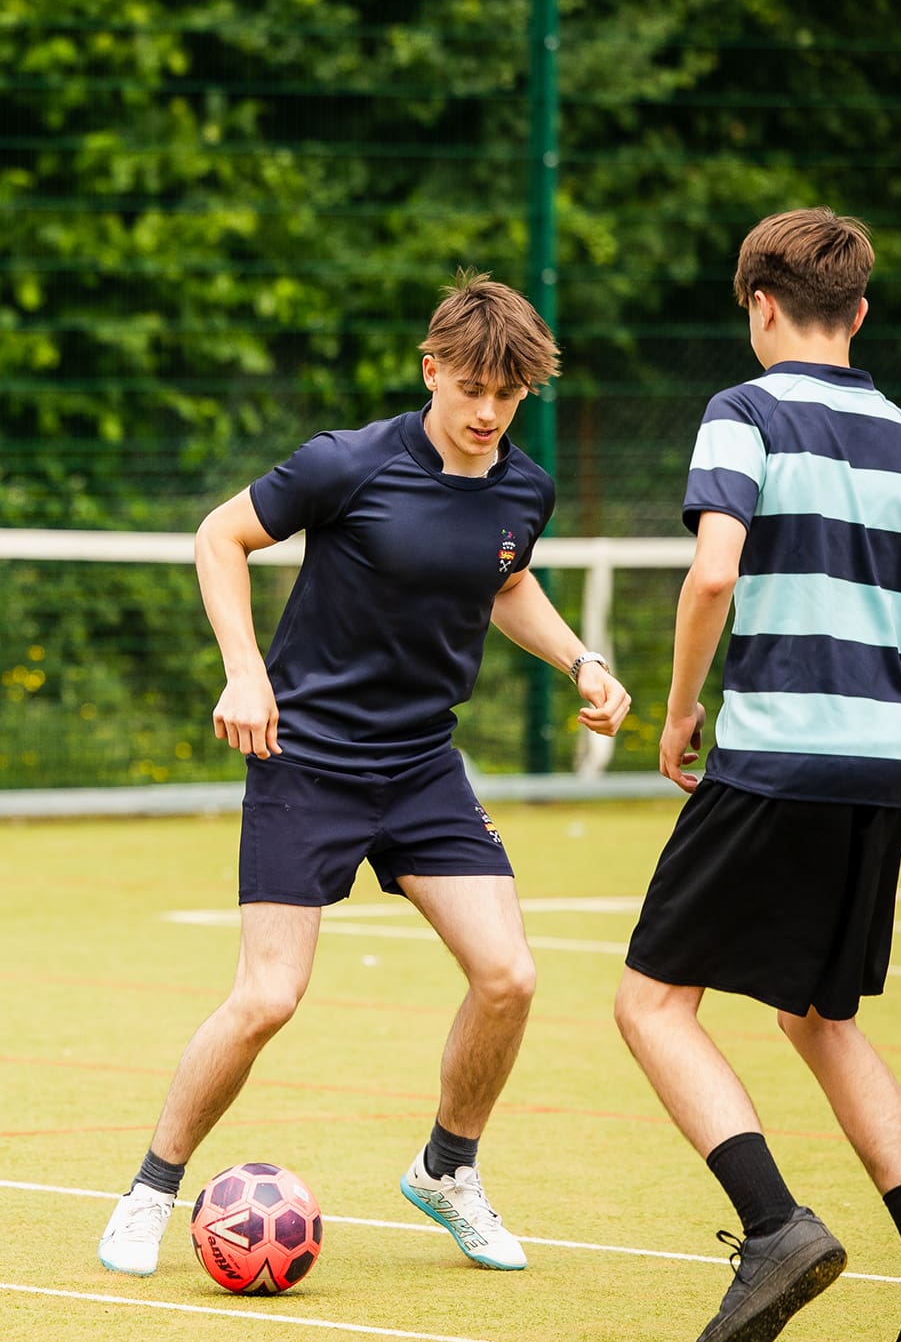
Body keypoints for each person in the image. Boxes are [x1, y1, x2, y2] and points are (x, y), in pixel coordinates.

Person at [99, 271, 630, 1278]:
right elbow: (220, 537)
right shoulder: (347, 464)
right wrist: (246, 674)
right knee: (267, 998)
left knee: (509, 976)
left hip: (423, 765)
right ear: (432, 369)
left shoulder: (525, 487)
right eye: (470, 387)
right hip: (306, 760)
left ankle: (448, 1171)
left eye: (508, 395)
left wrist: (582, 661)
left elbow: (506, 579)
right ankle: (151, 1191)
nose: (486, 413)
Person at [615, 209, 901, 1342]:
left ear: (760, 308)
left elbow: (715, 571)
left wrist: (682, 706)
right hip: (882, 767)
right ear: (863, 313)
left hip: (776, 750)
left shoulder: (746, 411)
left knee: (652, 1004)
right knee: (821, 1017)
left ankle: (776, 1227)